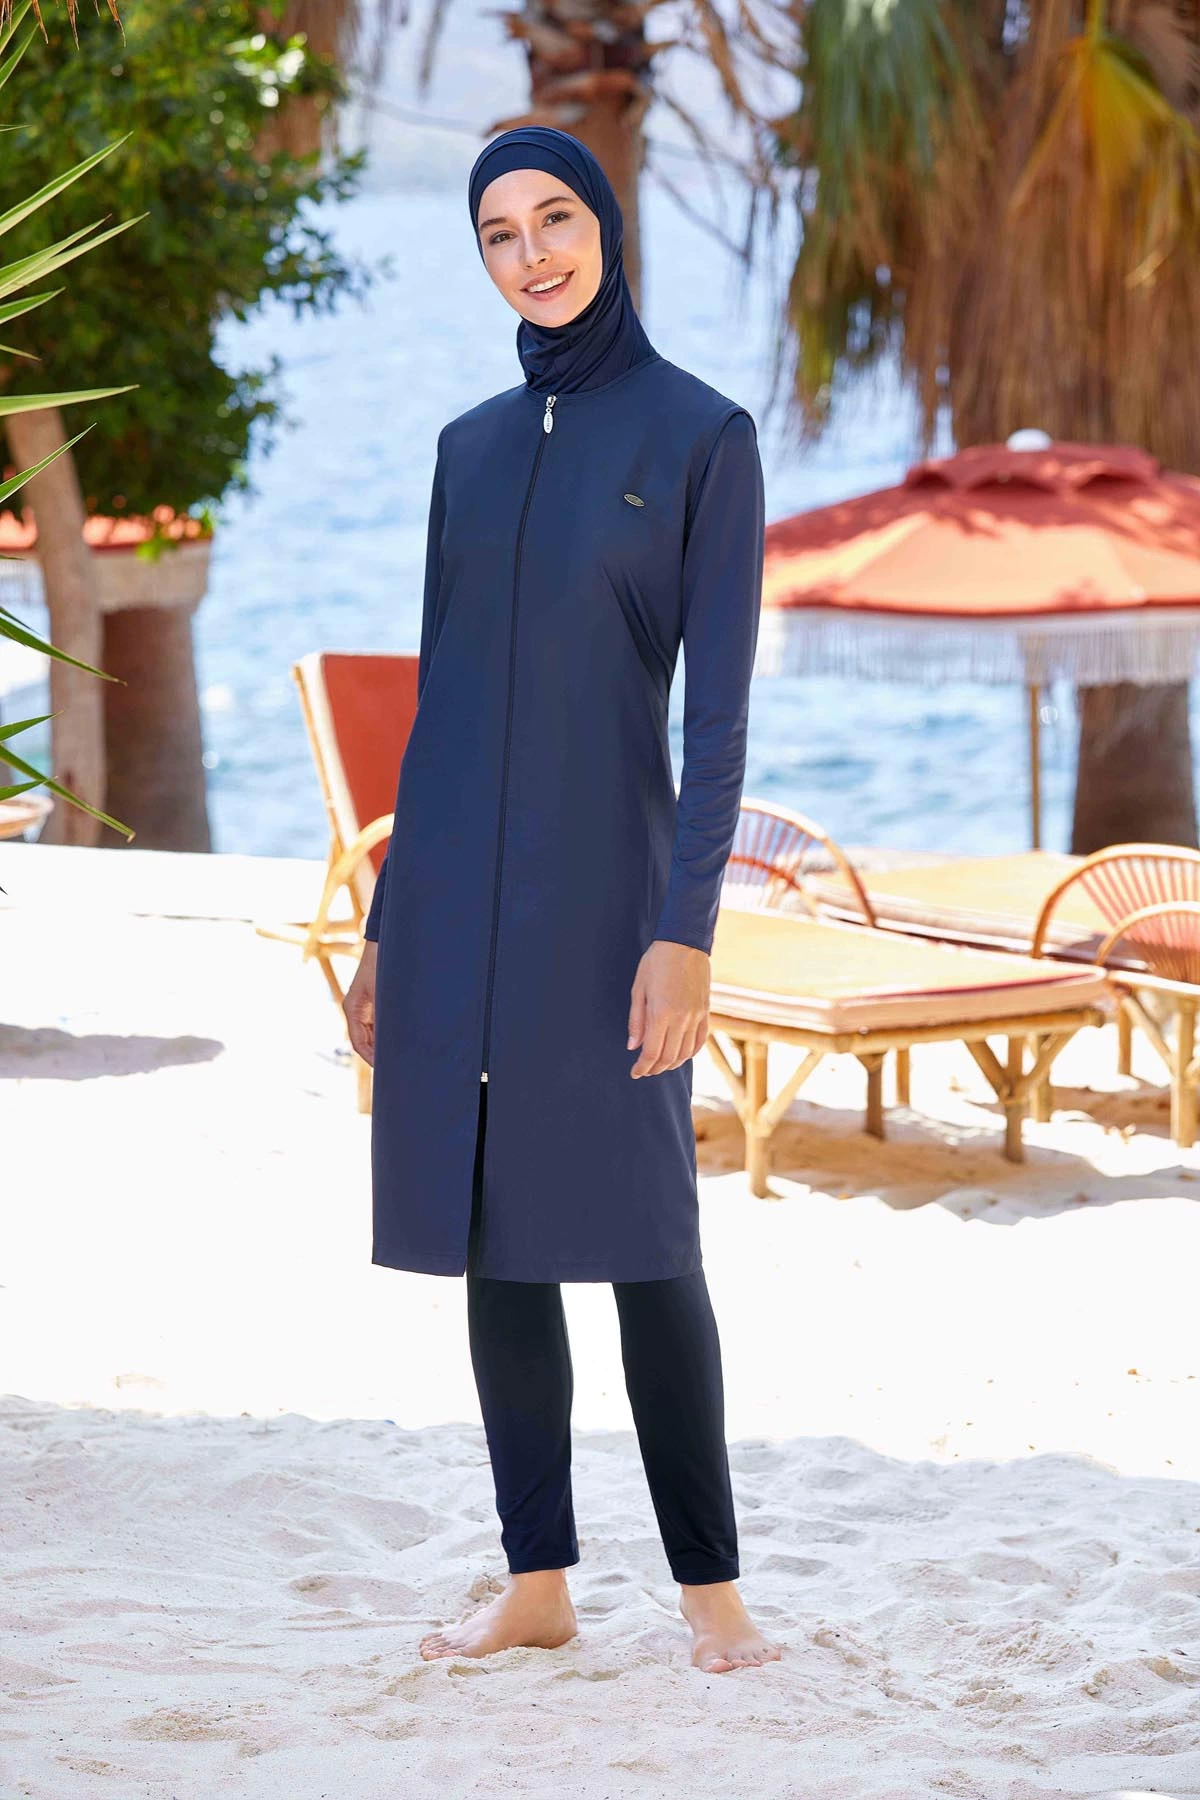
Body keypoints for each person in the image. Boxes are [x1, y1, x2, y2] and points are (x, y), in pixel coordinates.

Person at [344, 125, 779, 1674]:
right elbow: (440, 704)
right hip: (455, 898)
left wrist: (686, 933)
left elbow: (719, 724)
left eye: (554, 219)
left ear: (604, 223)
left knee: (651, 1241)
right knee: (496, 1235)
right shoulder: (466, 448)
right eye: (499, 234)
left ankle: (712, 1595)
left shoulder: (703, 436)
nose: (532, 253)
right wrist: (386, 922)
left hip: (610, 908)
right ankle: (538, 1582)